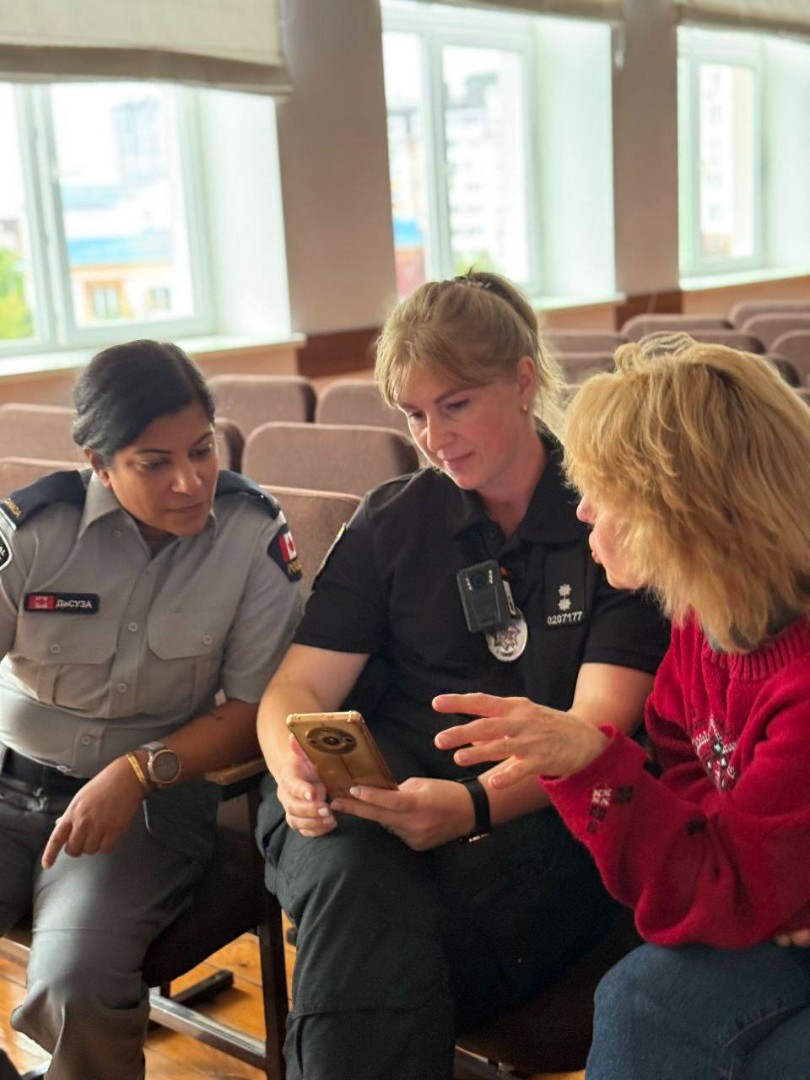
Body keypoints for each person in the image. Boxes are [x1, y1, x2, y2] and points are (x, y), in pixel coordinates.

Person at [255, 272, 670, 1080]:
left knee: (379, 934)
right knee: (353, 874)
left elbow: (594, 733)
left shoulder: (607, 517)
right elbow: (296, 691)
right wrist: (290, 766)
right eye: (414, 414)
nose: (433, 437)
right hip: (374, 802)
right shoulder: (393, 519)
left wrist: (472, 805)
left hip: (532, 814)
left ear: (523, 382)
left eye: (455, 405)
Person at [435, 334, 810, 1079]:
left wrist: (592, 764)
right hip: (773, 916)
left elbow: (716, 892)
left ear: (684, 514)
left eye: (605, 496)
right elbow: (680, 755)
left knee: (647, 1008)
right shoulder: (708, 622)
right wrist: (745, 857)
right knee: (650, 1003)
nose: (582, 512)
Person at [0, 340, 303, 1080]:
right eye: (154, 462)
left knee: (75, 986)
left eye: (201, 450)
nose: (189, 481)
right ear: (98, 463)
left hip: (143, 810)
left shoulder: (251, 535)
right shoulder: (34, 531)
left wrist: (137, 772)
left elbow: (257, 707)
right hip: (10, 786)